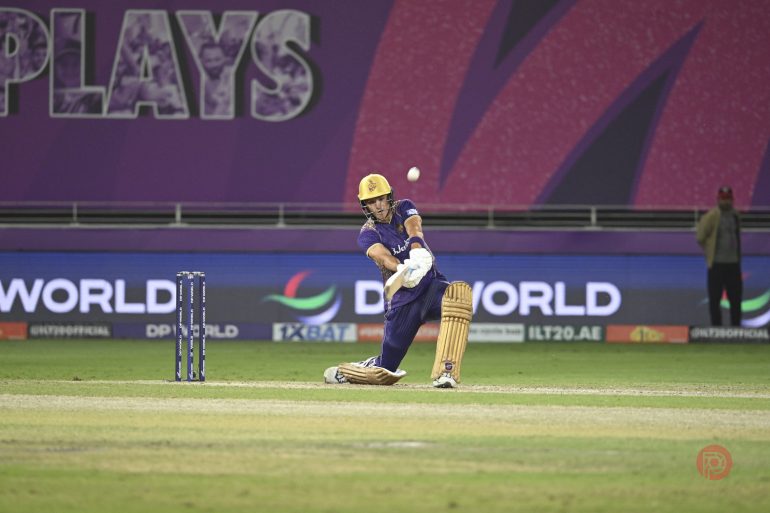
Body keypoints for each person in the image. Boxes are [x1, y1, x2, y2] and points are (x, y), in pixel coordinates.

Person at [324, 173, 473, 388]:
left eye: (381, 198)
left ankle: (446, 372)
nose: (379, 205)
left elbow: (415, 227)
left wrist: (416, 250)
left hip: (431, 286)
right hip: (402, 301)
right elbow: (382, 256)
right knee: (386, 369)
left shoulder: (404, 207)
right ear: (365, 205)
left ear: (389, 197)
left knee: (457, 300)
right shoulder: (367, 233)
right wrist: (402, 268)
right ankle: (349, 371)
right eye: (372, 201)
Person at [696, 186, 742, 326]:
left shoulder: (735, 215)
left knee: (735, 299)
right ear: (718, 199)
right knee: (715, 299)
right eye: (723, 199)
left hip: (733, 264)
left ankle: (736, 329)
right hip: (716, 265)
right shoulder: (711, 216)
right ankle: (717, 329)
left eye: (728, 199)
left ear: (732, 200)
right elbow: (700, 237)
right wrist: (709, 251)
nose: (725, 202)